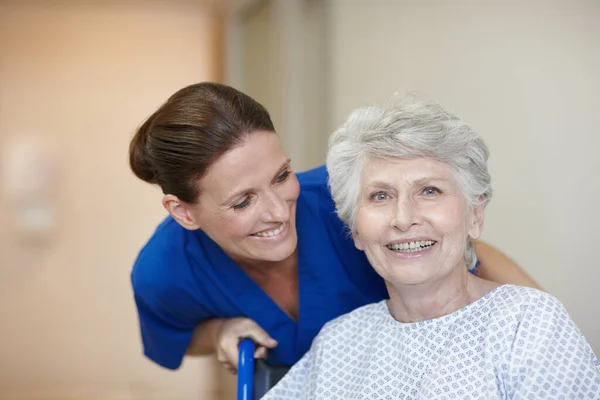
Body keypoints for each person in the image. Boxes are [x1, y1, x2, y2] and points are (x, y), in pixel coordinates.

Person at [128, 82, 540, 372]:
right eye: (243, 201)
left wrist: (540, 319)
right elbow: (177, 338)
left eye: (280, 175)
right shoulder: (163, 272)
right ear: (183, 212)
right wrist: (220, 330)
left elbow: (461, 250)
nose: (277, 210)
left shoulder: (343, 201)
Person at [262, 97, 600, 399]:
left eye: (429, 191)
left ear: (475, 215)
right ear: (356, 231)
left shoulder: (527, 324)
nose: (403, 218)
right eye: (380, 195)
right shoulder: (339, 342)